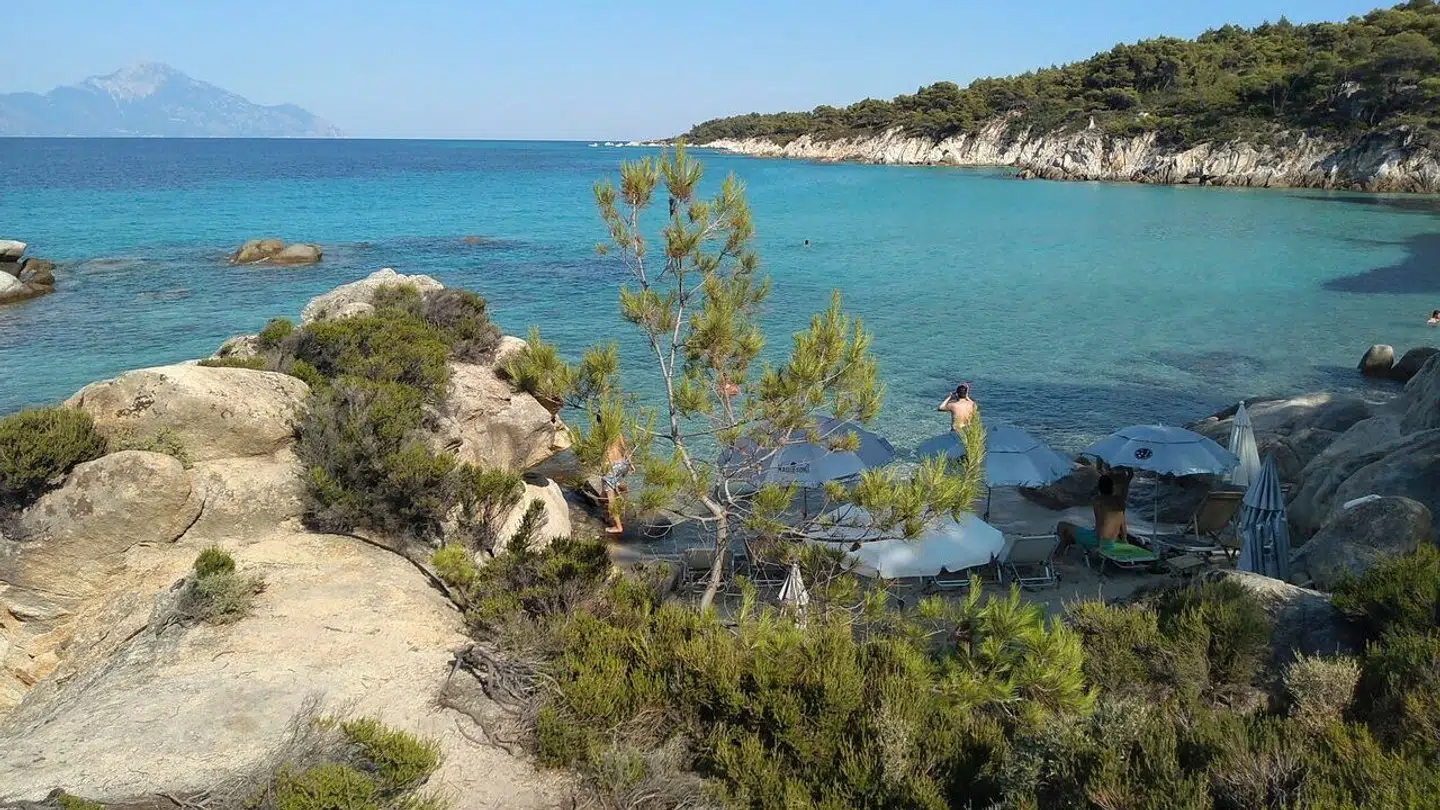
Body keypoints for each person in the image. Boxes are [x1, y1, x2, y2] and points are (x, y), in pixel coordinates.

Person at [600, 430, 632, 535]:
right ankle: (607, 514)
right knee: (606, 490)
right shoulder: (617, 430)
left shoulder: (603, 433)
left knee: (611, 498)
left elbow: (601, 453)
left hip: (610, 467)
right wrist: (630, 464)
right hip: (622, 464)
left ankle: (618, 527)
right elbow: (625, 448)